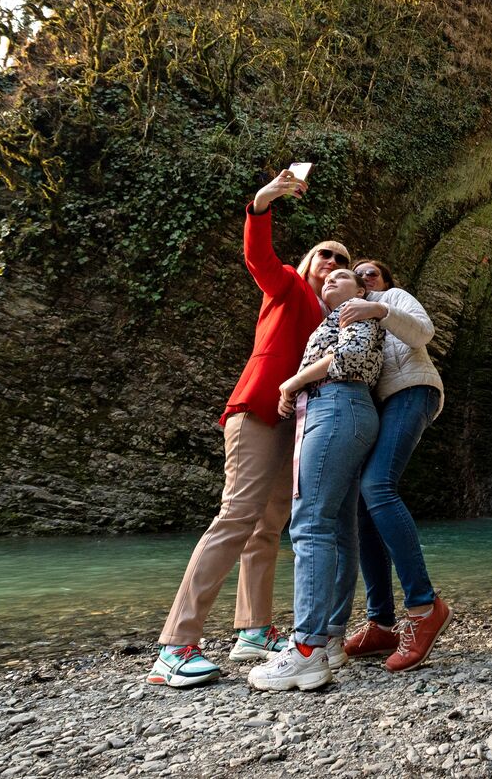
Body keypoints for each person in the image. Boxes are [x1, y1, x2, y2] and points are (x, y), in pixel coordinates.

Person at [151, 171, 348, 688]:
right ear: (308, 263)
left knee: (269, 526)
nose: (333, 263)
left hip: (295, 424)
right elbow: (258, 257)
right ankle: (174, 646)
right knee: (236, 516)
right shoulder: (286, 285)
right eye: (325, 254)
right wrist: (262, 203)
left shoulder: (335, 324)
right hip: (258, 410)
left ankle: (254, 630)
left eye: (343, 261)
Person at [248, 267, 385, 691]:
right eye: (327, 278)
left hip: (335, 408)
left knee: (309, 525)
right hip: (346, 411)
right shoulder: (339, 315)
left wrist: (293, 382)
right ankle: (328, 639)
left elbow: (348, 358)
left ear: (361, 290)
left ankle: (306, 649)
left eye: (343, 276)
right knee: (340, 529)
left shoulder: (356, 311)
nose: (331, 280)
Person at [330, 259, 450, 672]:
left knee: (378, 486)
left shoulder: (391, 300)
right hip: (377, 407)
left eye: (372, 273)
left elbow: (423, 333)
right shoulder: (342, 318)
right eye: (357, 273)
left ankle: (423, 606)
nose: (364, 277)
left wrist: (379, 308)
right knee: (363, 504)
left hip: (412, 391)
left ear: (384, 283)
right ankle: (381, 622)